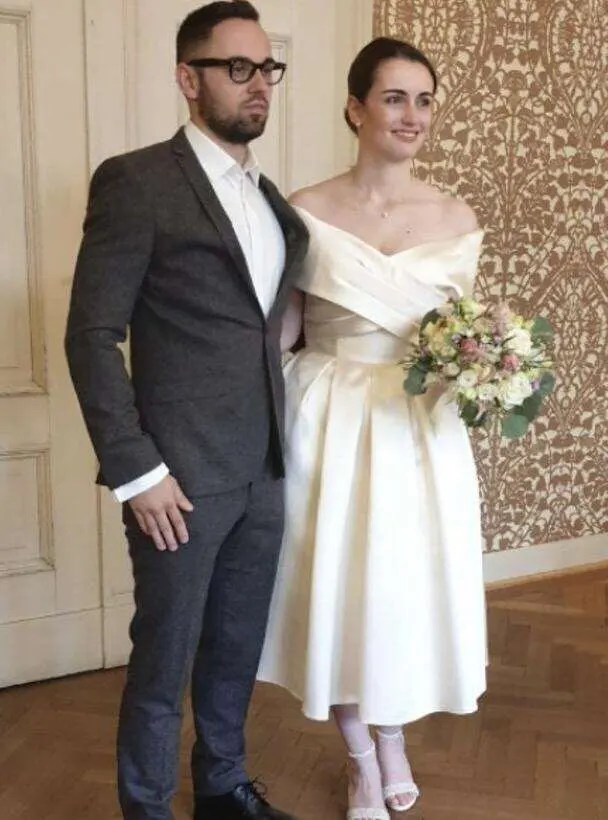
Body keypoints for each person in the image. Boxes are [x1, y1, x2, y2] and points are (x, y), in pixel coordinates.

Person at [65, 3, 308, 819]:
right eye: (237, 68)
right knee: (164, 661)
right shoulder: (137, 181)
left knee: (235, 647)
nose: (258, 84)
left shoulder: (271, 200)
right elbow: (91, 335)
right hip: (177, 480)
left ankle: (223, 788)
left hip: (263, 467)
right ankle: (146, 807)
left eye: (267, 68)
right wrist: (138, 472)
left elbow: (264, 326)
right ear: (187, 78)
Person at [258, 37, 487, 819]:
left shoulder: (456, 217)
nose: (412, 115)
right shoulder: (306, 209)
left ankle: (393, 737)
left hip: (417, 424)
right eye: (394, 98)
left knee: (397, 591)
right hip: (328, 414)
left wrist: (489, 367)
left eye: (424, 100)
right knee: (336, 586)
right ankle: (360, 756)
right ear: (355, 109)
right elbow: (285, 331)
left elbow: (460, 336)